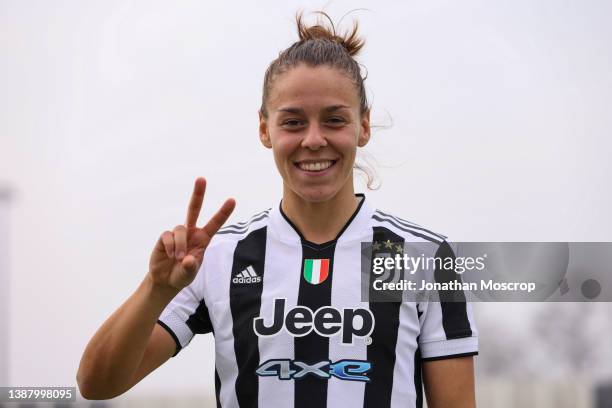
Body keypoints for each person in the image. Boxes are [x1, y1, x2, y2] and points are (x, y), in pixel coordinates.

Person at [77, 11, 478, 408]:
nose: (314, 139)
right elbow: (96, 384)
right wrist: (156, 290)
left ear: (364, 125)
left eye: (335, 119)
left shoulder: (423, 257)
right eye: (293, 122)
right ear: (265, 129)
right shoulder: (217, 258)